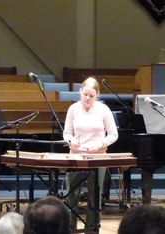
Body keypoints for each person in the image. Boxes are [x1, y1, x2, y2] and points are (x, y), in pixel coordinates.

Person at [63, 77, 118, 230]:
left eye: (91, 96)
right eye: (85, 94)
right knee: (72, 196)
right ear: (80, 92)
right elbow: (67, 132)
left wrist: (101, 144)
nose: (87, 98)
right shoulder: (73, 108)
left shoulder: (103, 109)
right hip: (76, 156)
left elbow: (113, 134)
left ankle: (92, 230)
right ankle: (70, 229)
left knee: (95, 196)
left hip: (98, 157)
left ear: (97, 95)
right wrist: (70, 141)